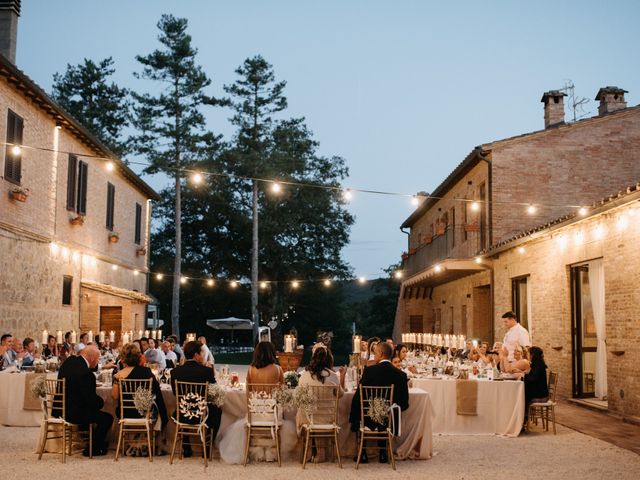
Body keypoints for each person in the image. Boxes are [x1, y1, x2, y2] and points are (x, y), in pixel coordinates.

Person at [219, 342, 295, 464]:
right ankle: (271, 451)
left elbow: (249, 393)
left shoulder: (251, 370)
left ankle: (258, 450)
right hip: (272, 415)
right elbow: (282, 393)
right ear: (271, 353)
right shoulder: (278, 369)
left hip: (255, 414)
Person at [349, 342, 409, 464]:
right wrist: (388, 408)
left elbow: (359, 396)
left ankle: (363, 453)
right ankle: (383, 453)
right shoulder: (401, 375)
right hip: (389, 419)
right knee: (382, 414)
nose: (374, 356)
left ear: (381, 354)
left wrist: (354, 415)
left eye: (375, 353)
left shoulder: (369, 371)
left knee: (358, 407)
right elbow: (404, 403)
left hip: (368, 418)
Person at [56, 344, 113, 456]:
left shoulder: (70, 361)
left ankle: (96, 442)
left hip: (61, 409)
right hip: (74, 413)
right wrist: (102, 401)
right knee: (107, 418)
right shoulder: (86, 374)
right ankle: (93, 448)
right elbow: (91, 401)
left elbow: (91, 367)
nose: (98, 361)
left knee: (89, 410)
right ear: (92, 358)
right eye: (98, 359)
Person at [111, 342, 168, 454]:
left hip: (125, 412)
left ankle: (133, 445)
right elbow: (157, 393)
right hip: (144, 412)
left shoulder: (119, 375)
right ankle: (149, 444)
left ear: (123, 359)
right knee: (154, 408)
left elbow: (114, 396)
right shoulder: (147, 372)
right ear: (138, 357)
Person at [170, 341, 222, 458]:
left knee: (180, 407)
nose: (203, 355)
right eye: (202, 353)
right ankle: (207, 447)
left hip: (183, 413)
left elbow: (175, 393)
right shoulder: (206, 371)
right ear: (195, 355)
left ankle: (186, 447)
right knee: (218, 410)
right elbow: (215, 392)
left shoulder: (175, 372)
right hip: (202, 414)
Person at [297, 345, 345, 431]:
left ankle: (308, 442)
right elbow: (340, 395)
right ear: (329, 360)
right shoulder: (332, 375)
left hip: (309, 418)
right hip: (328, 418)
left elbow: (300, 396)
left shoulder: (304, 375)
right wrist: (342, 377)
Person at [524, 346, 549, 423]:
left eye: (529, 354)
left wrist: (524, 376)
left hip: (541, 395)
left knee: (522, 395)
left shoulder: (538, 365)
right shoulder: (536, 364)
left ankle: (524, 418)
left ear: (533, 355)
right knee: (523, 393)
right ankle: (523, 417)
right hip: (539, 391)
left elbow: (532, 379)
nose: (528, 355)